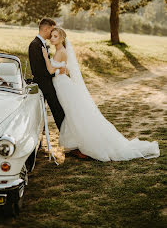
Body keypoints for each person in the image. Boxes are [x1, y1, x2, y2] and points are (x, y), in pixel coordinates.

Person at [42, 27, 160, 161]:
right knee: (73, 115)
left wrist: (46, 57)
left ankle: (85, 143)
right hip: (63, 84)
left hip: (63, 87)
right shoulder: (60, 51)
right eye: (51, 36)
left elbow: (51, 70)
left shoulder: (60, 51)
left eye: (55, 36)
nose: (52, 38)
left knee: (74, 115)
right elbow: (66, 70)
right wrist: (60, 69)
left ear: (62, 38)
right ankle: (75, 144)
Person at [28, 18, 65, 131]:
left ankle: (65, 135)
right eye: (52, 30)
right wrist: (56, 73)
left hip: (47, 82)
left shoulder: (42, 44)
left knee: (56, 109)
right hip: (43, 83)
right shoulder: (35, 45)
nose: (53, 33)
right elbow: (38, 71)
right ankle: (66, 135)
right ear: (45, 29)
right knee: (56, 109)